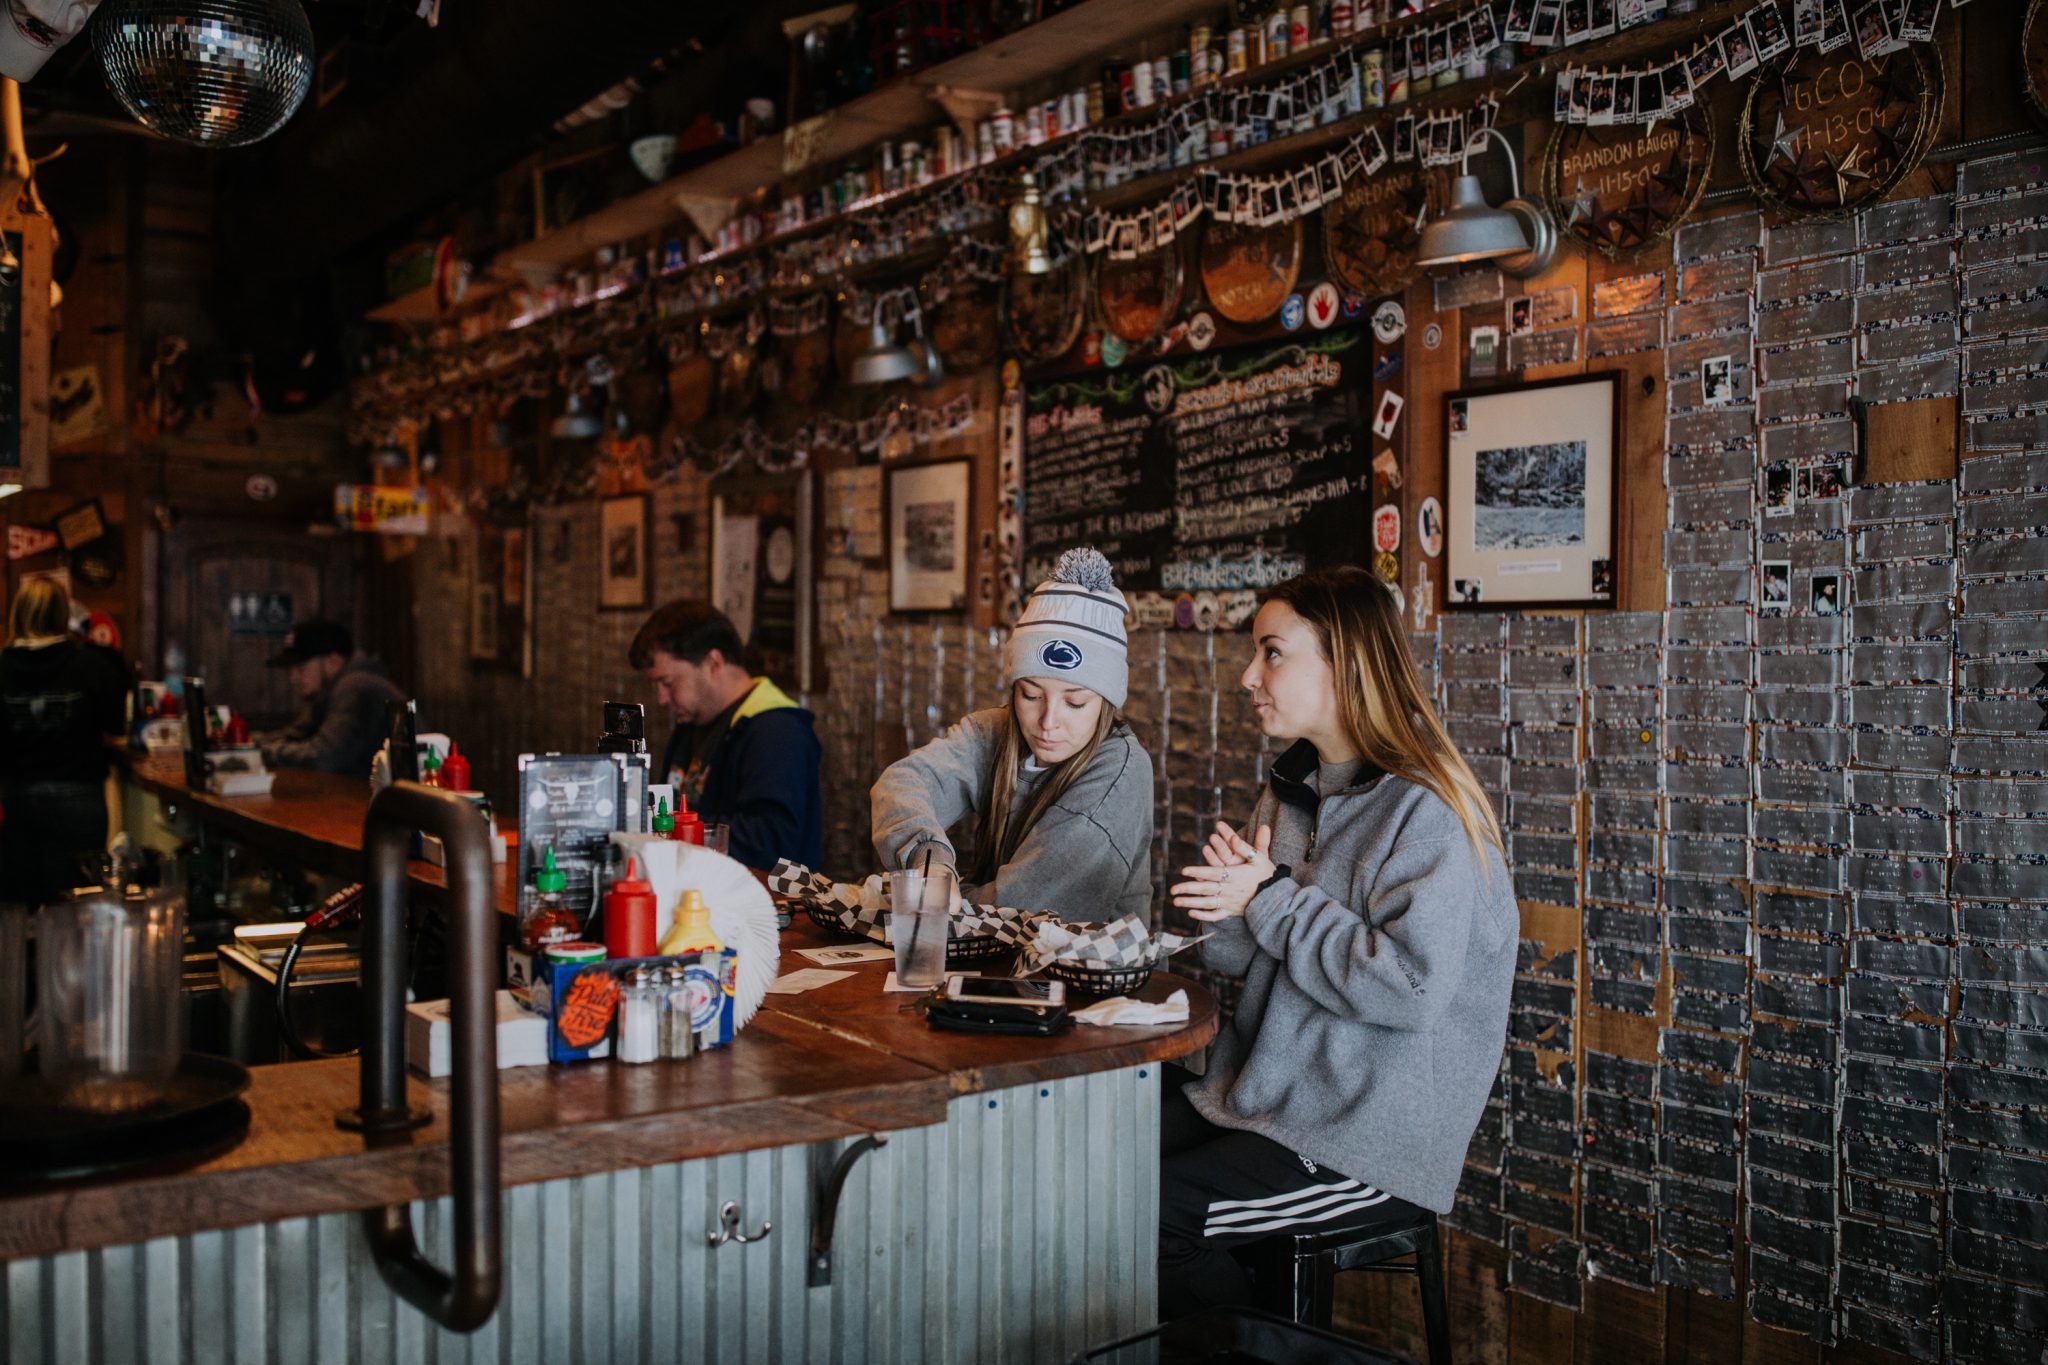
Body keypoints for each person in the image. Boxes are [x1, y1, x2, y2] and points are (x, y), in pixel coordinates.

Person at [1157, 566, 1516, 1318]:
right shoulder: (1294, 785)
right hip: (1267, 1097)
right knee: (1097, 1151)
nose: (1250, 674)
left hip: (1366, 1137)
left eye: (1272, 652)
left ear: (1342, 660)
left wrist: (1272, 900)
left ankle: (1265, 1348)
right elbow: (1246, 960)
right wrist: (1230, 909)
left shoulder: (1428, 810)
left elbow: (1409, 988)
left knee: (1149, 1217)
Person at [870, 547, 1153, 924]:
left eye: (1075, 702)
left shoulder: (1123, 770)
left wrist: (928, 899)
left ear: (1107, 704)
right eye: (1031, 695)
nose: (1048, 721)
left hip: (1093, 977)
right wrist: (930, 860)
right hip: (997, 970)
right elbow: (902, 783)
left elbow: (1027, 905)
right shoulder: (995, 730)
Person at [630, 601, 821, 871]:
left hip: (764, 903)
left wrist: (676, 830)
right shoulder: (691, 723)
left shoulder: (776, 731)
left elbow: (770, 843)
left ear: (713, 663)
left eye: (668, 683)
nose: (661, 698)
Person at [0, 577, 128, 907]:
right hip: (80, 801)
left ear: (19, 613)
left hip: (19, 802)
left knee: (22, 911)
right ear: (62, 615)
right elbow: (116, 726)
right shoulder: (93, 665)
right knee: (77, 911)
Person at [257, 619, 407, 775]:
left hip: (383, 796)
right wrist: (253, 745)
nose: (293, 678)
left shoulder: (355, 686)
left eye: (301, 667)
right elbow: (297, 734)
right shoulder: (335, 689)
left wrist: (262, 751)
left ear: (333, 661)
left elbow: (325, 756)